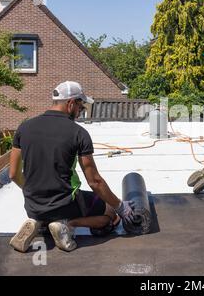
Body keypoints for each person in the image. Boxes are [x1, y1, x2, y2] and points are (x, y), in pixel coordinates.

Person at [9, 81, 135, 253]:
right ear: (70, 103)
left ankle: (38, 221)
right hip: (65, 203)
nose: (80, 111)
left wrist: (34, 192)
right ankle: (66, 224)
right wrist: (121, 207)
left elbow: (13, 174)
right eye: (80, 106)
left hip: (32, 204)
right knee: (110, 214)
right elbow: (95, 181)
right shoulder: (78, 133)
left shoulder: (24, 128)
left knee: (44, 211)